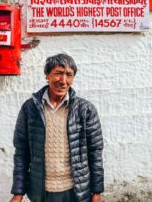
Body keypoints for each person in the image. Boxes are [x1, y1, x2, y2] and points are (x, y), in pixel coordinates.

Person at [10, 53, 104, 202]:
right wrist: (18, 192)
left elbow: (95, 153)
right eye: (58, 73)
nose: (63, 81)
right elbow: (21, 152)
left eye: (69, 75)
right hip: (41, 192)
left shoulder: (85, 110)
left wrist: (97, 192)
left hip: (76, 192)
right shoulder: (30, 108)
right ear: (47, 75)